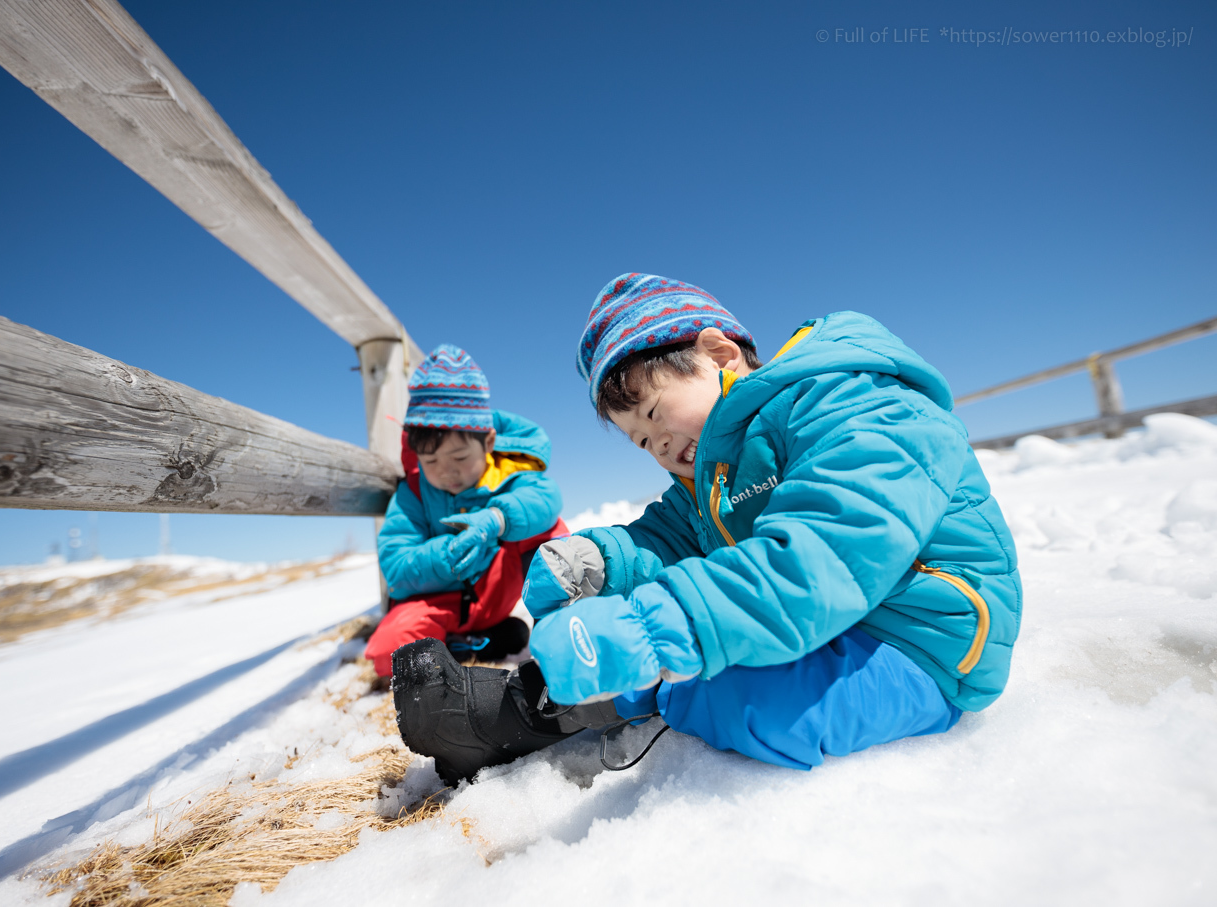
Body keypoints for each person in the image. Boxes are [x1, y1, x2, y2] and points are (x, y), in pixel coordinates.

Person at [392, 274, 1021, 784]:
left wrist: (647, 628)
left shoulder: (856, 403)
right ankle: (550, 700)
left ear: (720, 356)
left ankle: (555, 708)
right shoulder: (714, 475)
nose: (659, 445)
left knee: (745, 703)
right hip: (824, 626)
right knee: (703, 648)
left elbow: (826, 553)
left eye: (657, 413)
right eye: (641, 440)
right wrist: (601, 559)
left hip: (923, 647)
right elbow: (669, 536)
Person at [365, 344, 566, 677]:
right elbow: (396, 566)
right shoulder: (412, 493)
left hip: (494, 592)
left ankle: (563, 620)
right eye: (430, 461)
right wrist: (447, 555)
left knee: (546, 528)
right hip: (437, 605)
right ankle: (467, 644)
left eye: (459, 458)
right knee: (391, 653)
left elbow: (546, 498)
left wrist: (498, 519)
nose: (446, 472)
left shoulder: (507, 472)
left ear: (487, 443)